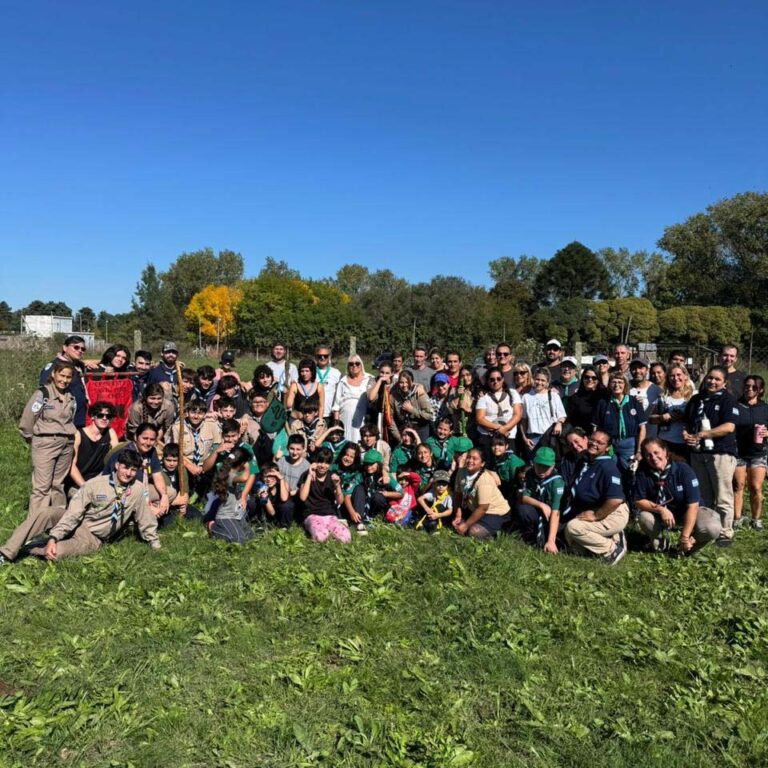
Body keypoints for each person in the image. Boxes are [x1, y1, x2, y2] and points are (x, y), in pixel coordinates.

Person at [0, 449, 161, 565]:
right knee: (46, 512)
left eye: (133, 470)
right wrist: (55, 536)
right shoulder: (95, 485)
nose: (129, 473)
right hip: (78, 523)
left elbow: (144, 518)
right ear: (117, 465)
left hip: (92, 537)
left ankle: (30, 547)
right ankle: (6, 553)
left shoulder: (138, 489)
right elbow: (74, 513)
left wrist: (154, 543)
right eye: (126, 467)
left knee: (56, 554)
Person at [633, 438, 721, 554]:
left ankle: (689, 547)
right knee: (644, 517)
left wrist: (684, 536)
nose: (653, 458)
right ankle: (661, 544)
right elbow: (638, 500)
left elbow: (693, 506)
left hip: (688, 512)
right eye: (648, 455)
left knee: (712, 527)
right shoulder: (642, 473)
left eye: (656, 452)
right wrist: (661, 510)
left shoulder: (683, 470)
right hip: (662, 515)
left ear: (665, 451)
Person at [683, 365, 739, 545]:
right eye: (710, 378)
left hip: (720, 454)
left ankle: (724, 533)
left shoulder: (728, 400)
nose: (712, 382)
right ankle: (706, 529)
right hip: (698, 454)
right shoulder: (696, 399)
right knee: (704, 495)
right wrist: (687, 435)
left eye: (717, 379)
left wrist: (702, 435)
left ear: (724, 383)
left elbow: (729, 427)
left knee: (723, 495)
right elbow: (687, 423)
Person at [19, 360, 77, 524]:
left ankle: (58, 524)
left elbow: (70, 419)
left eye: (68, 377)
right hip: (45, 443)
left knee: (57, 485)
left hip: (66, 443)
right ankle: (33, 526)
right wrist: (32, 439)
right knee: (42, 487)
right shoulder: (42, 394)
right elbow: (27, 420)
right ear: (53, 374)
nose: (64, 380)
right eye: (62, 375)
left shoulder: (70, 396)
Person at [563, 430, 628, 565]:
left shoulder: (608, 467)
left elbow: (615, 499)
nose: (594, 444)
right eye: (592, 440)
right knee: (572, 542)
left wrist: (596, 516)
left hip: (612, 512)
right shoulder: (586, 462)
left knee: (573, 528)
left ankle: (612, 549)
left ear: (607, 448)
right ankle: (611, 537)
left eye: (600, 442)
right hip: (593, 509)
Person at [104, 423, 172, 514]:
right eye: (144, 438)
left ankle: (149, 514)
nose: (148, 443)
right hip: (119, 492)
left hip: (141, 489)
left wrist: (164, 495)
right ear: (136, 437)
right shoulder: (127, 454)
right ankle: (140, 516)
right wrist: (147, 506)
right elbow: (120, 486)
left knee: (171, 492)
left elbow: (157, 475)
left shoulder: (151, 452)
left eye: (152, 440)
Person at [592, 372, 646, 486]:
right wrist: (597, 446)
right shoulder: (602, 403)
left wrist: (639, 450)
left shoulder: (634, 402)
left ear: (625, 385)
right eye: (614, 382)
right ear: (610, 385)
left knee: (631, 474)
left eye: (620, 382)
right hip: (609, 444)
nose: (617, 385)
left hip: (629, 444)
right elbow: (595, 428)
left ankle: (631, 500)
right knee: (610, 474)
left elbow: (642, 428)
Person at [166, 400, 222, 497]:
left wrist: (205, 465)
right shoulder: (177, 427)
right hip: (187, 463)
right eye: (193, 412)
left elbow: (216, 446)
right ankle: (185, 495)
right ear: (187, 413)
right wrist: (190, 466)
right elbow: (176, 451)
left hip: (206, 463)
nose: (196, 416)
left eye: (200, 413)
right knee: (181, 467)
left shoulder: (212, 425)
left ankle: (211, 494)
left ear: (205, 414)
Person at [733, 375, 768, 531]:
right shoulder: (736, 405)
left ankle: (756, 519)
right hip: (738, 452)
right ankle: (737, 518)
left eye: (754, 387)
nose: (749, 389)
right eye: (747, 386)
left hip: (758, 452)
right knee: (738, 486)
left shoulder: (765, 408)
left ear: (760, 390)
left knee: (755, 487)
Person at [452, 448, 511, 539]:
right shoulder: (461, 472)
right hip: (474, 508)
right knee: (455, 522)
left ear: (482, 463)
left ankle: (495, 532)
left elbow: (483, 508)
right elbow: (458, 495)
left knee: (473, 532)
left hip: (494, 512)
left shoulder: (485, 480)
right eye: (468, 457)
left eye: (474, 459)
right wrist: (458, 515)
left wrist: (466, 525)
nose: (470, 461)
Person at [516, 446, 565, 553]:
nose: (541, 470)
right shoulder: (530, 474)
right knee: (523, 509)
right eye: (539, 465)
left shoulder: (557, 482)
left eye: (546, 467)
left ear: (553, 466)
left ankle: (550, 540)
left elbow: (556, 512)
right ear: (533, 463)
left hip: (553, 517)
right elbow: (524, 497)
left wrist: (551, 540)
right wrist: (541, 505)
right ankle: (529, 536)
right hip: (538, 510)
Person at [298, 447, 350, 543]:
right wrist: (309, 475)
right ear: (315, 462)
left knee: (346, 537)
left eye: (326, 463)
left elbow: (340, 501)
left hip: (329, 514)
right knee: (321, 537)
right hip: (312, 514)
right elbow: (302, 497)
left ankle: (333, 528)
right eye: (320, 462)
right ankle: (317, 529)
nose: (323, 466)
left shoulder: (333, 477)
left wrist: (337, 485)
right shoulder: (306, 475)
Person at [204, 447, 256, 544]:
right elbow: (245, 478)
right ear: (241, 463)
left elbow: (249, 477)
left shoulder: (229, 473)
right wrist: (248, 466)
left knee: (251, 538)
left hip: (235, 515)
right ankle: (213, 527)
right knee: (239, 541)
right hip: (225, 516)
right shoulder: (229, 475)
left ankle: (226, 529)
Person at [67, 401, 119, 497]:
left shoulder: (110, 432)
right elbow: (71, 466)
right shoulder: (78, 434)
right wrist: (85, 487)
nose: (104, 418)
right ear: (92, 417)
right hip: (78, 482)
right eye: (100, 415)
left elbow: (117, 457)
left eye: (108, 416)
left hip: (99, 480)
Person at [39, 335, 90, 427]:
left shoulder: (78, 365)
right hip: (63, 419)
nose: (80, 350)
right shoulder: (55, 365)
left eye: (83, 349)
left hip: (80, 417)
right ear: (65, 348)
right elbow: (45, 389)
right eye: (76, 347)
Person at [647, 363, 695, 462]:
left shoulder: (694, 395)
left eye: (678, 375)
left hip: (686, 443)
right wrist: (661, 417)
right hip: (665, 441)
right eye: (672, 376)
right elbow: (650, 419)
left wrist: (685, 416)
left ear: (685, 376)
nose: (675, 378)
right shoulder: (663, 396)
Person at [474, 367, 523, 458]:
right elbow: (480, 419)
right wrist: (499, 428)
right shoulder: (484, 396)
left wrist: (505, 428)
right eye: (492, 379)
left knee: (508, 464)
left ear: (503, 379)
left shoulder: (512, 393)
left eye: (498, 379)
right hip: (488, 436)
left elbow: (517, 414)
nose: (495, 381)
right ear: (488, 381)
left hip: (508, 436)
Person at [520, 368, 566, 455]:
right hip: (533, 437)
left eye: (543, 380)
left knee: (549, 463)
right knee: (533, 464)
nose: (539, 382)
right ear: (533, 379)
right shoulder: (526, 397)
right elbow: (523, 420)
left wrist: (559, 423)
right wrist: (524, 438)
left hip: (550, 435)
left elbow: (562, 415)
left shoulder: (554, 395)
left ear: (547, 382)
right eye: (537, 379)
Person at [332, 355, 374, 443]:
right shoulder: (343, 381)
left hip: (362, 419)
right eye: (351, 364)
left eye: (357, 363)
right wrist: (336, 425)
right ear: (348, 366)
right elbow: (336, 405)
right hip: (345, 419)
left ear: (361, 365)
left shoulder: (369, 379)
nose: (354, 366)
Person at [389, 369, 434, 443]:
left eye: (407, 382)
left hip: (420, 428)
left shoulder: (420, 393)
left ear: (412, 382)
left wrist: (411, 409)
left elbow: (429, 415)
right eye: (401, 382)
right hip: (403, 429)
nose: (404, 385)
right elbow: (390, 418)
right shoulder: (394, 396)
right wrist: (398, 436)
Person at [565, 366, 602, 432]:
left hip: (600, 437)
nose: (590, 380)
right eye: (587, 377)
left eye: (594, 378)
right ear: (582, 379)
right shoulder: (574, 398)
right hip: (580, 435)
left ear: (598, 380)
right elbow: (570, 421)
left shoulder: (604, 397)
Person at [315, 345, 341, 421]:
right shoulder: (311, 371)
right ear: (316, 357)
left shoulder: (336, 373)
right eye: (320, 356)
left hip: (330, 414)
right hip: (314, 414)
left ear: (329, 357)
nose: (322, 358)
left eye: (325, 356)